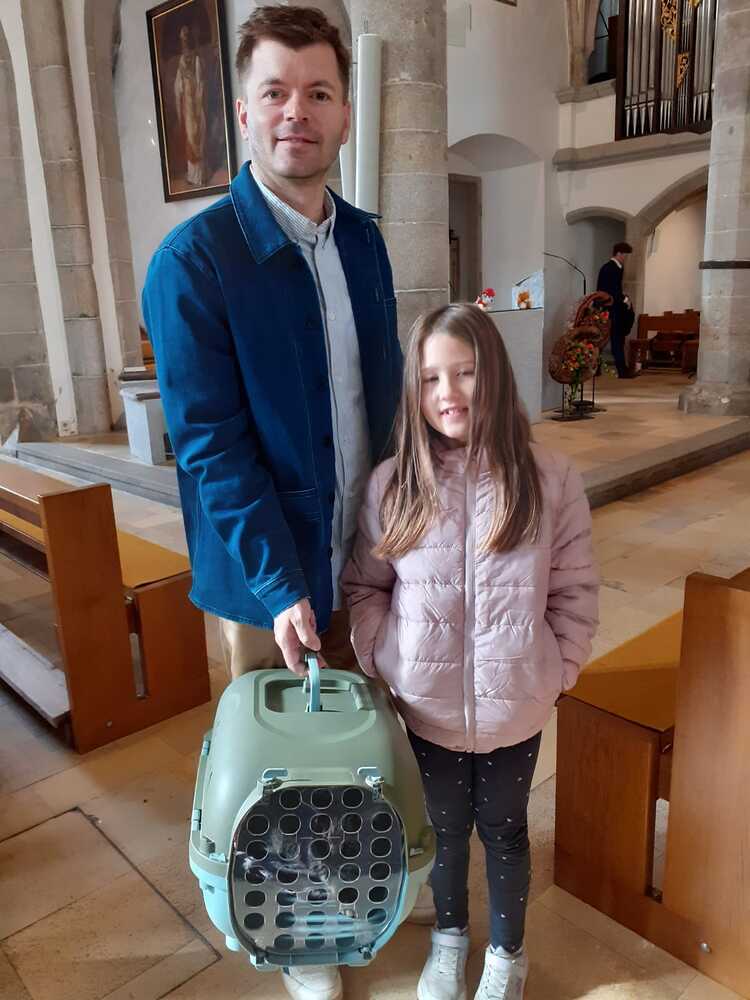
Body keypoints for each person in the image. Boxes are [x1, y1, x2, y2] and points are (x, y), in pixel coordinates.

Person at [142, 9, 402, 999]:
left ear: (344, 115)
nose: (299, 110)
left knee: (358, 741)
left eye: (320, 92)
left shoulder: (365, 243)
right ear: (244, 113)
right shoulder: (194, 262)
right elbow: (211, 444)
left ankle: (357, 889)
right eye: (277, 92)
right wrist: (279, 583)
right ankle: (299, 940)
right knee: (279, 768)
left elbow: (381, 398)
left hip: (361, 547)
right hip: (266, 569)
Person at [342, 303, 599, 1000]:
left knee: (506, 831)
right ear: (414, 391)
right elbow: (365, 586)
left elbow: (574, 589)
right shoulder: (394, 483)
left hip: (517, 702)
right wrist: (387, 656)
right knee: (446, 831)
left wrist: (558, 668)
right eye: (430, 378)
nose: (448, 393)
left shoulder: (549, 478)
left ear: (496, 375)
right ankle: (450, 938)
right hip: (427, 707)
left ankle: (507, 955)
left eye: (464, 373)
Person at [174, 24, 207, 187]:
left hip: (195, 104)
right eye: (182, 40)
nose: (184, 42)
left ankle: (198, 176)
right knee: (189, 139)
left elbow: (200, 83)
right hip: (187, 105)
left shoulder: (196, 60)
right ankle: (192, 175)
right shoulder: (182, 60)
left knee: (197, 137)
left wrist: (198, 102)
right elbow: (178, 84)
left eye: (186, 39)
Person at [597, 241, 635, 378]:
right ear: (618, 253)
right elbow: (611, 290)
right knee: (614, 340)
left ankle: (599, 369)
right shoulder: (611, 268)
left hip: (611, 308)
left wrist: (624, 298)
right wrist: (625, 300)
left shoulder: (614, 267)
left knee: (609, 340)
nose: (626, 258)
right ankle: (622, 371)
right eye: (625, 255)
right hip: (610, 310)